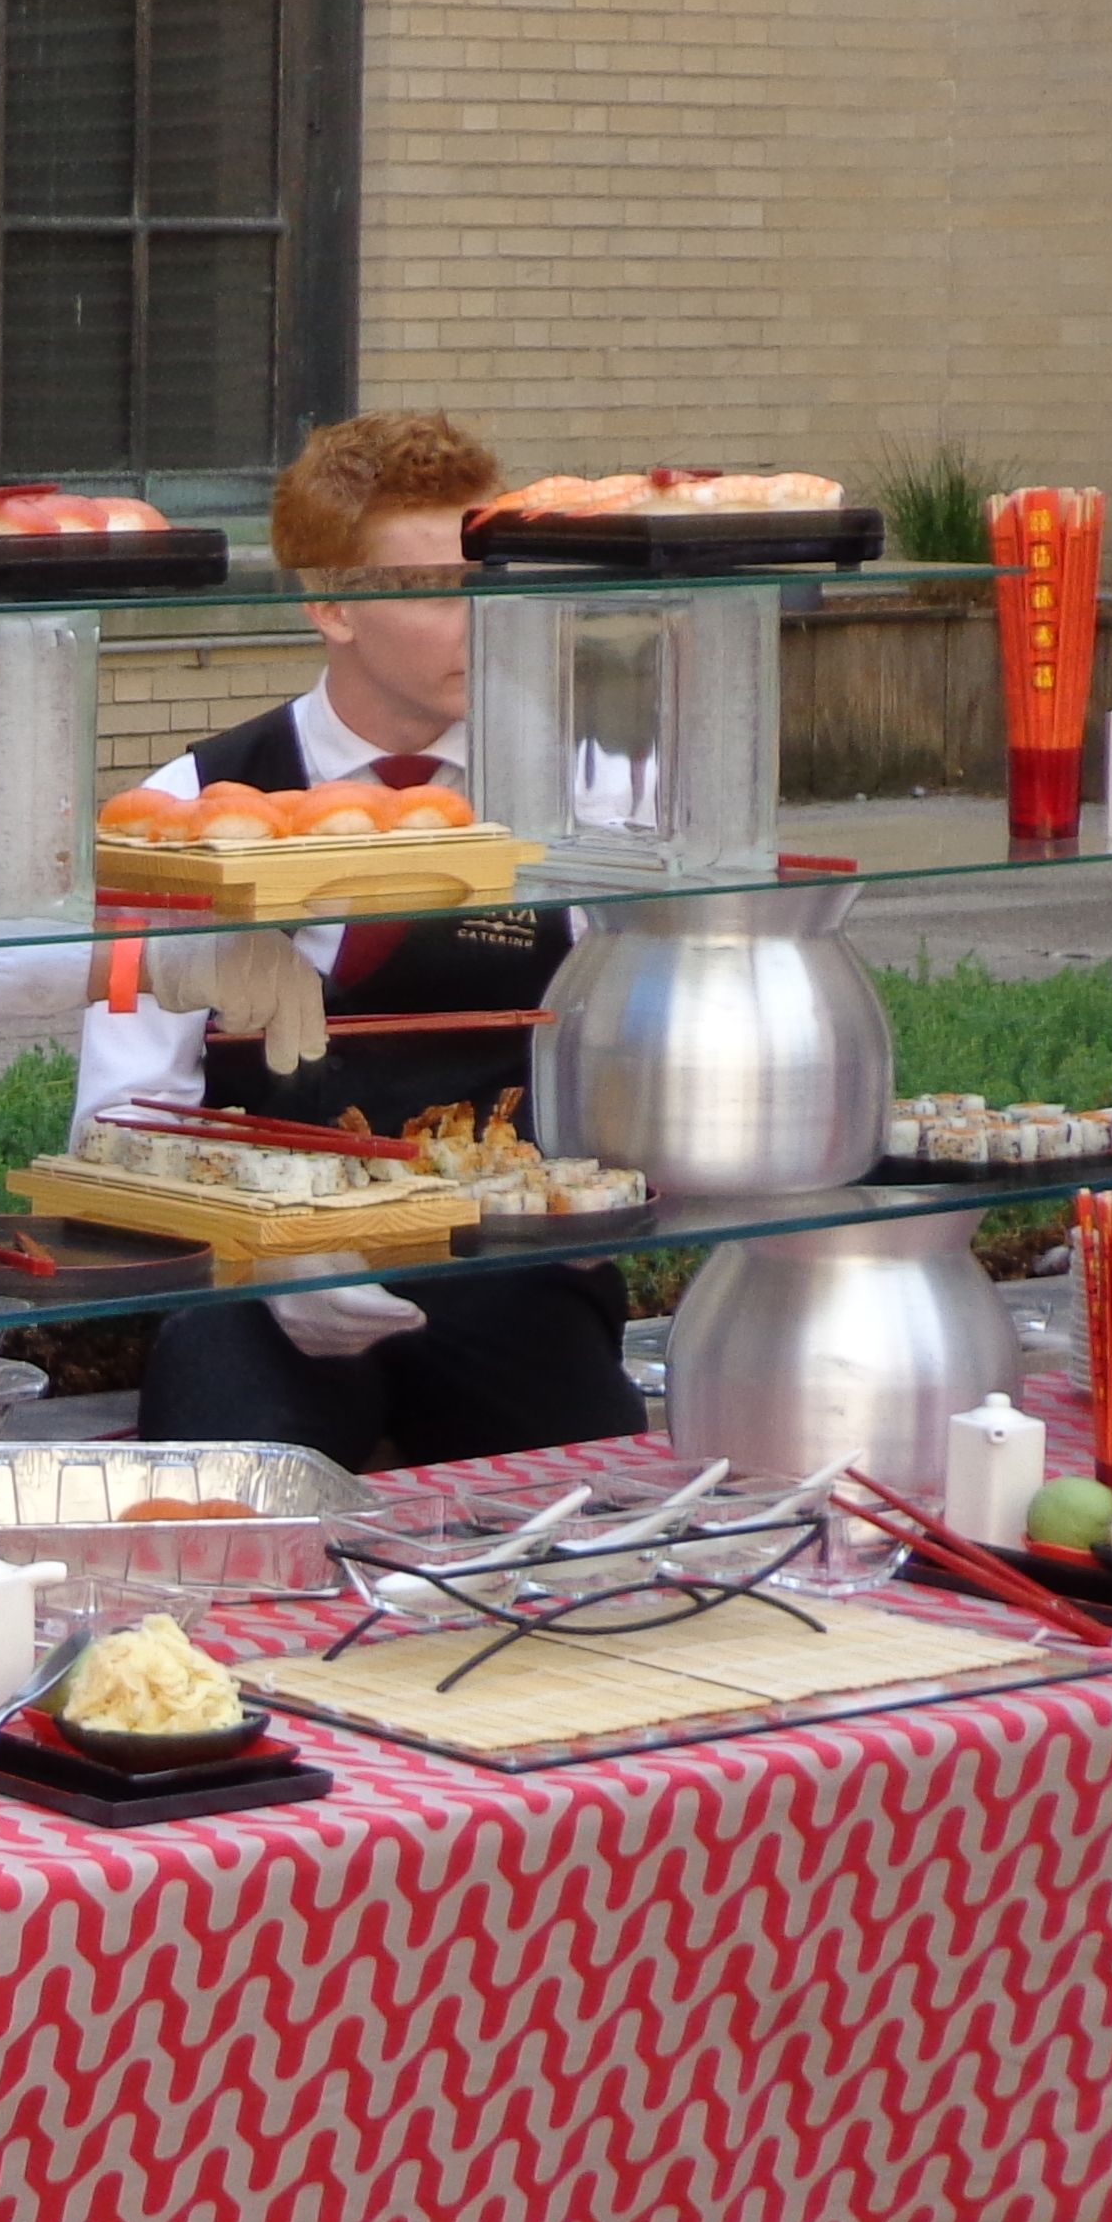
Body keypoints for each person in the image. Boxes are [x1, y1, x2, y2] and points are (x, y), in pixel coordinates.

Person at [78, 410, 649, 1468]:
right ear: (330, 602)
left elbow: (648, 1055)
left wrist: (590, 1212)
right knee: (228, 1493)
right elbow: (121, 1115)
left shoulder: (585, 794)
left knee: (594, 1503)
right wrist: (266, 1257)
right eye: (435, 591)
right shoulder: (189, 805)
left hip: (507, 1271)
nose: (479, 621)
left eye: (489, 580)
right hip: (253, 1287)